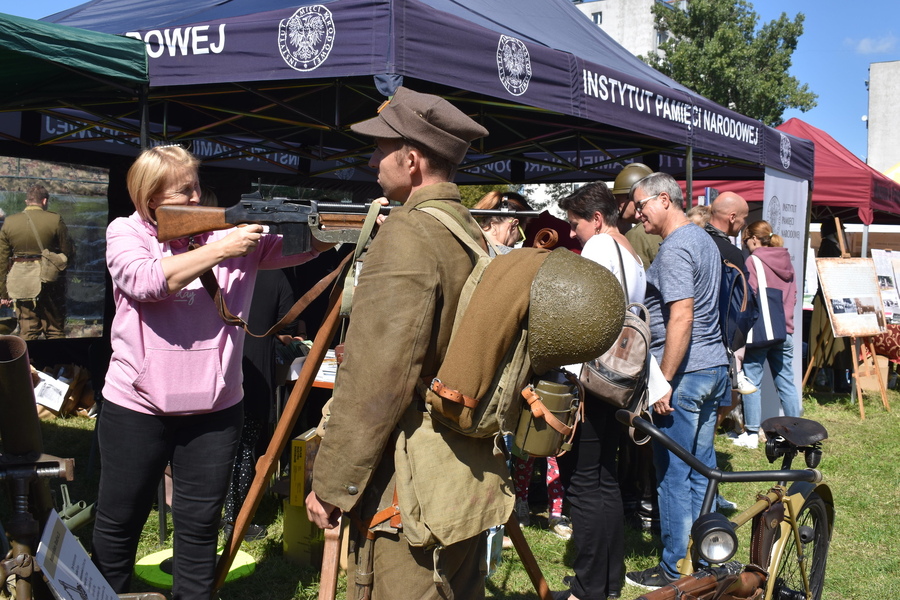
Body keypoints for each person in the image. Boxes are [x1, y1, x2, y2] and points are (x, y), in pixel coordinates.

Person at [93, 145, 330, 599]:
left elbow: (300, 252)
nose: (198, 196)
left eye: (197, 186)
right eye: (185, 190)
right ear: (151, 197)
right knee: (119, 520)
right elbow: (144, 280)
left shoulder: (228, 234)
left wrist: (338, 229)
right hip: (136, 405)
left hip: (217, 405)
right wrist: (222, 248)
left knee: (200, 527)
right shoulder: (126, 231)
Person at [305, 87, 505, 599]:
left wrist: (333, 485)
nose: (372, 161)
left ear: (411, 160)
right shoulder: (469, 231)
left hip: (409, 486)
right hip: (460, 479)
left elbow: (378, 379)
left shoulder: (408, 234)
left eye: (380, 149)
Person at [625, 173, 729, 590]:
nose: (636, 213)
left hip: (685, 375)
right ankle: (707, 561)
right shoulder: (703, 239)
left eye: (641, 205)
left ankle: (673, 573)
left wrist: (662, 381)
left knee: (672, 475)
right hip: (711, 369)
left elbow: (682, 316)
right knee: (703, 471)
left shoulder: (676, 248)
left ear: (664, 199)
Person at [554, 182, 649, 600]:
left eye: (576, 224)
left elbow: (580, 313)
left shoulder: (597, 249)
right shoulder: (633, 254)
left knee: (584, 484)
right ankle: (607, 581)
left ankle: (588, 587)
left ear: (596, 218)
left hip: (595, 378)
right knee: (604, 478)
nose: (573, 232)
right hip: (622, 382)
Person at [735, 221, 801, 448]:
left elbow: (749, 296)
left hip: (762, 330)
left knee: (752, 380)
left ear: (753, 239)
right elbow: (792, 296)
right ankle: (796, 431)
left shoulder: (754, 261)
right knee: (786, 383)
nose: (745, 246)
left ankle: (752, 433)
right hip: (786, 330)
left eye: (745, 241)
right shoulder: (786, 259)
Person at [0, 184, 74, 339]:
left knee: (28, 330)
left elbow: (2, 261)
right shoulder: (55, 219)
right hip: (50, 281)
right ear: (45, 201)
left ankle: (29, 362)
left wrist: (3, 292)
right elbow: (67, 251)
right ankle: (57, 362)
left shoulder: (9, 222)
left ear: (27, 201)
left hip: (21, 281)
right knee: (54, 330)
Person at [703, 192, 756, 397]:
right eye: (743, 218)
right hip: (719, 341)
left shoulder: (698, 241)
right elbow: (740, 304)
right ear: (732, 217)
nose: (744, 224)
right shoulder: (732, 253)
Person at [612, 163, 661, 269]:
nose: (616, 204)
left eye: (618, 198)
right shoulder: (661, 226)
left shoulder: (636, 235)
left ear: (632, 198)